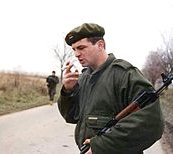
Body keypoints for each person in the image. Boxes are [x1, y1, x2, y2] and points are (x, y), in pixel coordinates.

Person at [57, 23, 164, 154]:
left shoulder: (125, 74)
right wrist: (68, 91)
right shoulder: (83, 78)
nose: (77, 54)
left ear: (100, 45)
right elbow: (71, 116)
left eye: (81, 48)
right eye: (74, 49)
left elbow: (151, 123)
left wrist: (100, 146)